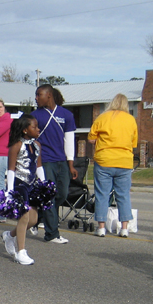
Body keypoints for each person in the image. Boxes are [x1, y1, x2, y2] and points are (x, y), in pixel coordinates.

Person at [31, 84, 76, 244]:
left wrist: (70, 163)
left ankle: (39, 216)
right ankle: (52, 234)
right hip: (44, 161)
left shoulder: (67, 115)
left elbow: (69, 140)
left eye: (39, 95)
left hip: (61, 161)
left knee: (62, 194)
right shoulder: (35, 115)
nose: (36, 98)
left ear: (48, 95)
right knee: (49, 196)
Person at [88, 93, 137, 238]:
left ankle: (101, 227)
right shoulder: (131, 120)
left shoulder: (102, 117)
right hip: (124, 161)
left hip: (104, 160)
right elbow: (133, 143)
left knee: (102, 194)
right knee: (123, 195)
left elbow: (91, 138)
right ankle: (124, 228)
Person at [1, 114, 45, 265]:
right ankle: (21, 252)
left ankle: (9, 235)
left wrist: (44, 184)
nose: (38, 129)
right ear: (25, 130)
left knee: (33, 220)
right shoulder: (16, 146)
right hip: (19, 184)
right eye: (34, 127)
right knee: (24, 216)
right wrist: (10, 191)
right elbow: (11, 170)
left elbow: (38, 166)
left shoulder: (37, 145)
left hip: (32, 184)